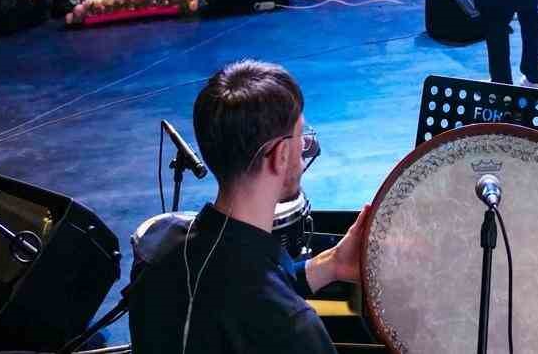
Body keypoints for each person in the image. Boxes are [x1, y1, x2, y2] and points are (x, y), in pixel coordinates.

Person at [128, 60, 366, 354]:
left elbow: (233, 290)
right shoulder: (293, 329)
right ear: (280, 155)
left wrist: (331, 266)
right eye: (300, 136)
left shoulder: (154, 252)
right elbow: (255, 300)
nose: (304, 147)